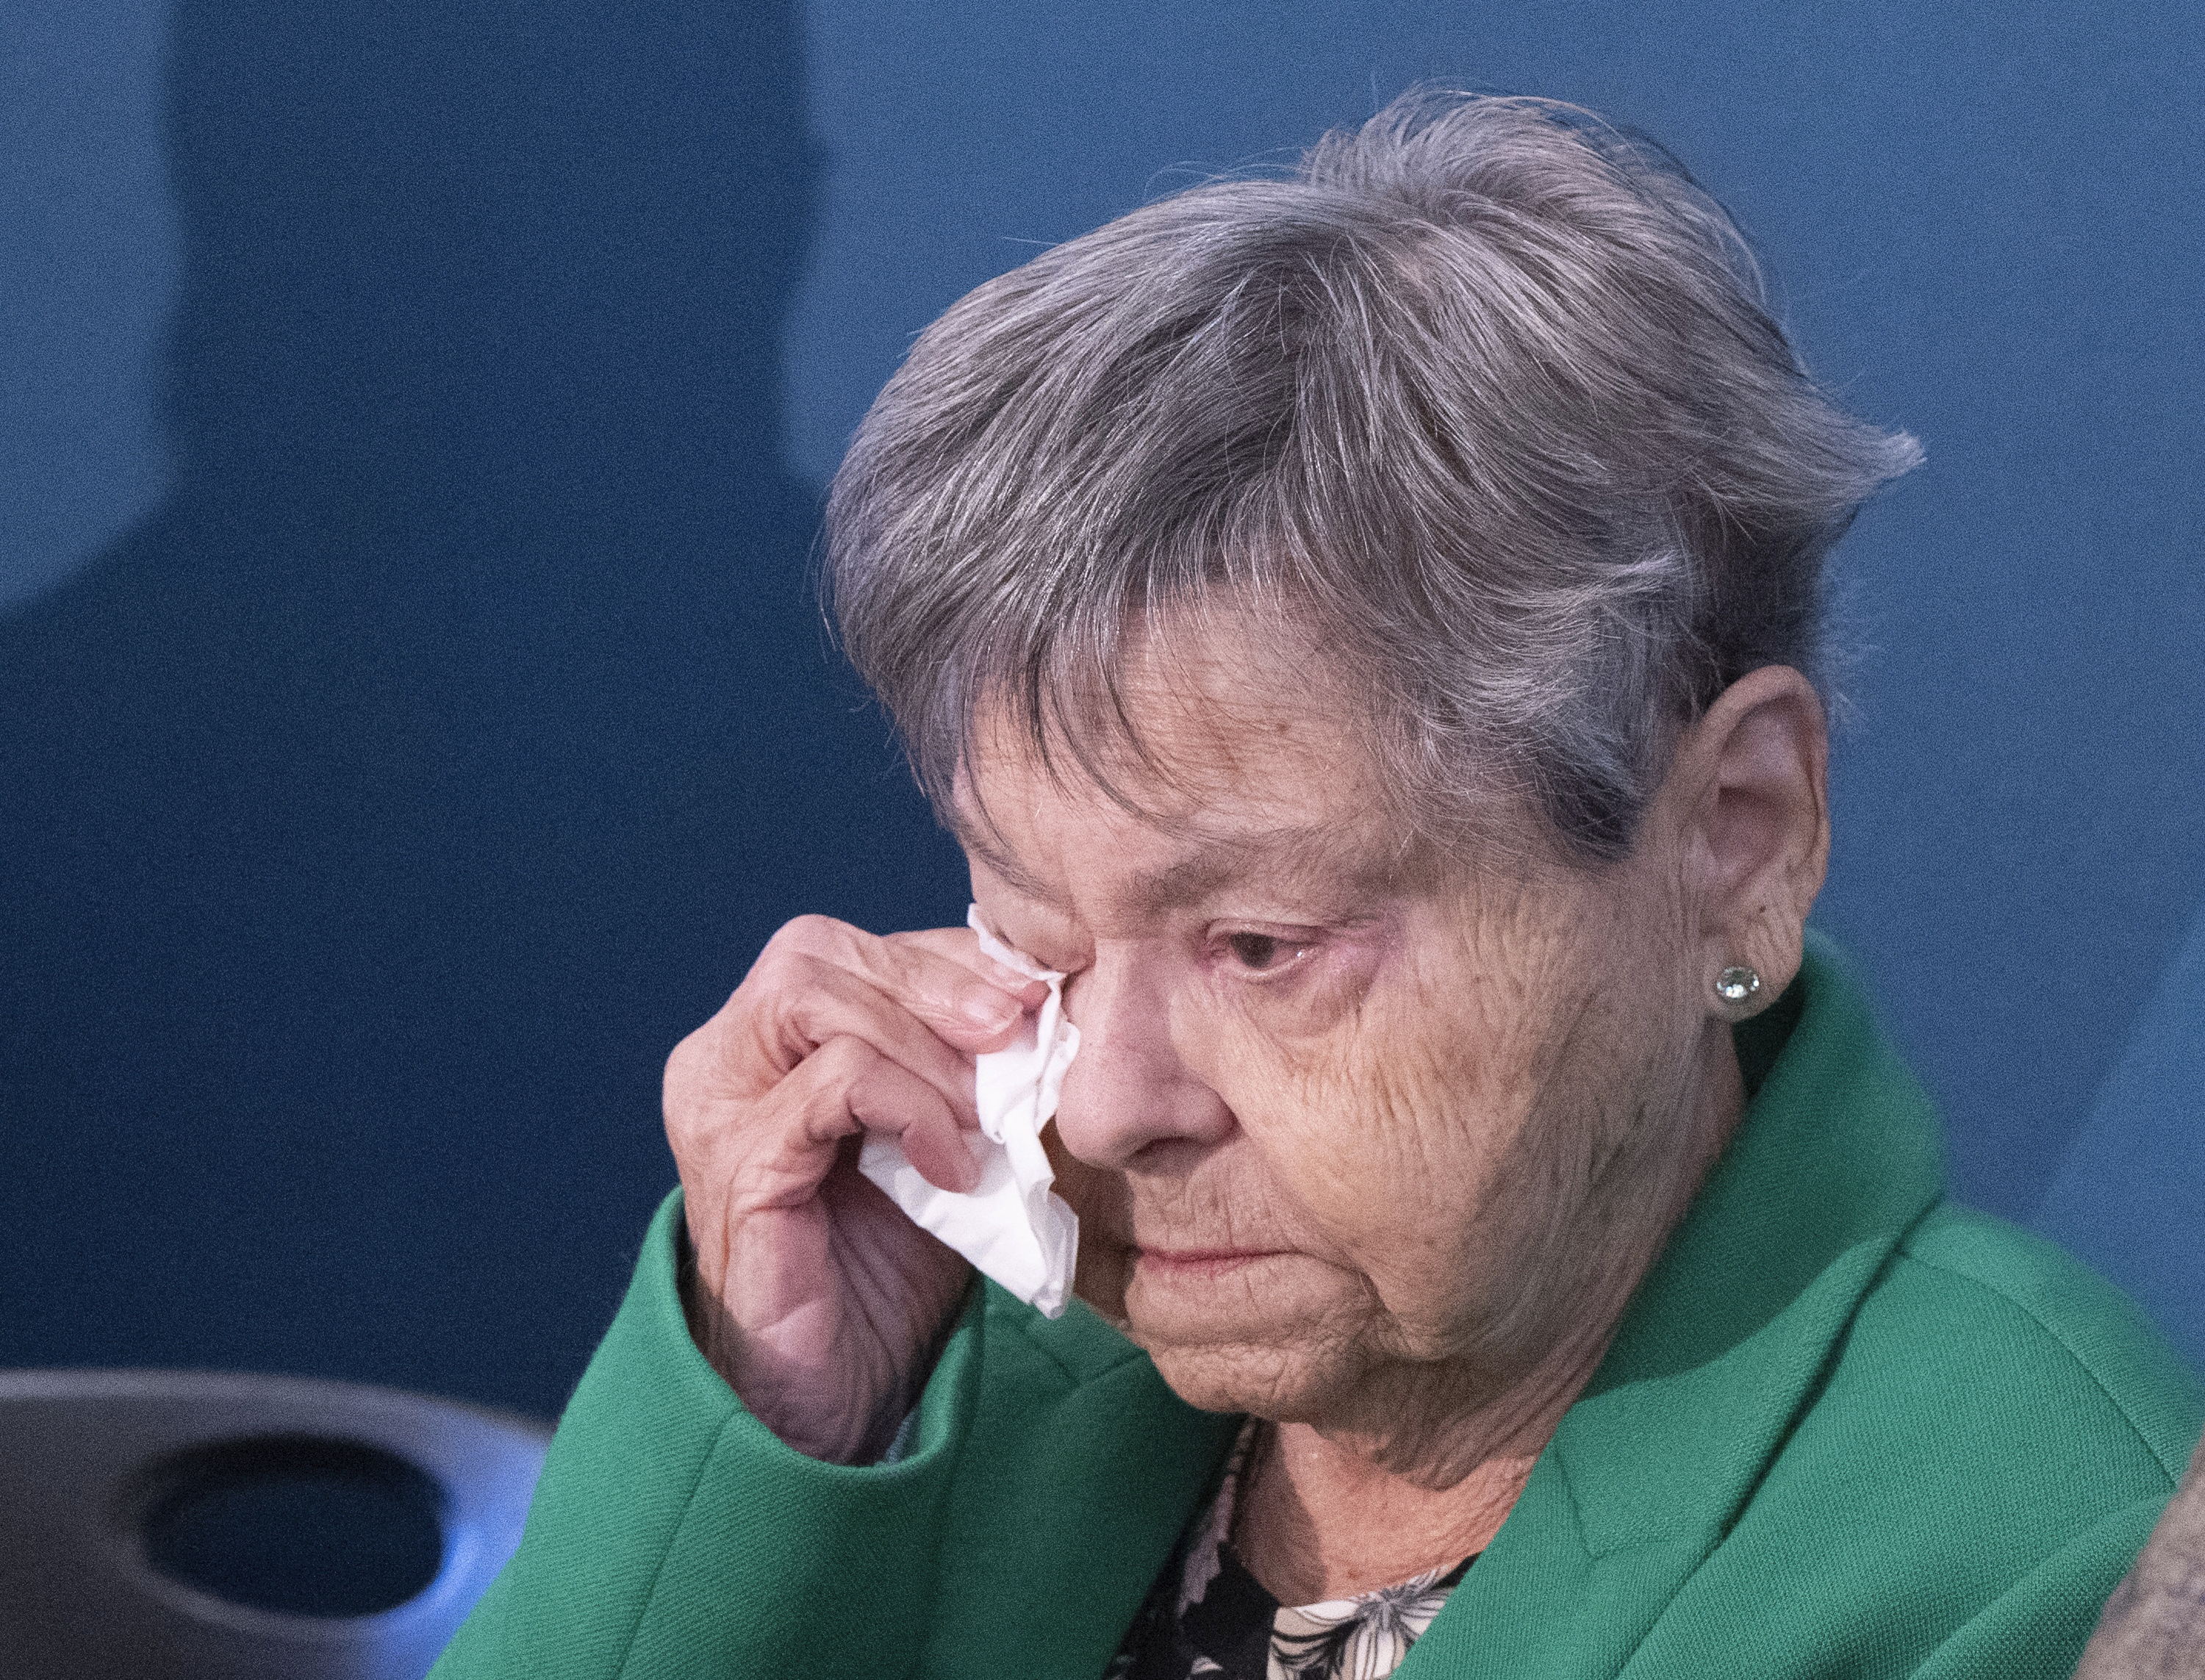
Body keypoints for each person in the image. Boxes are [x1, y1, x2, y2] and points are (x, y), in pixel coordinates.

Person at [431, 93, 2201, 1679]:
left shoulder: (2044, 1555)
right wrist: (770, 1435)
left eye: (1262, 945)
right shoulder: (954, 1380)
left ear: (1732, 837)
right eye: (1033, 933)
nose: (1107, 1107)